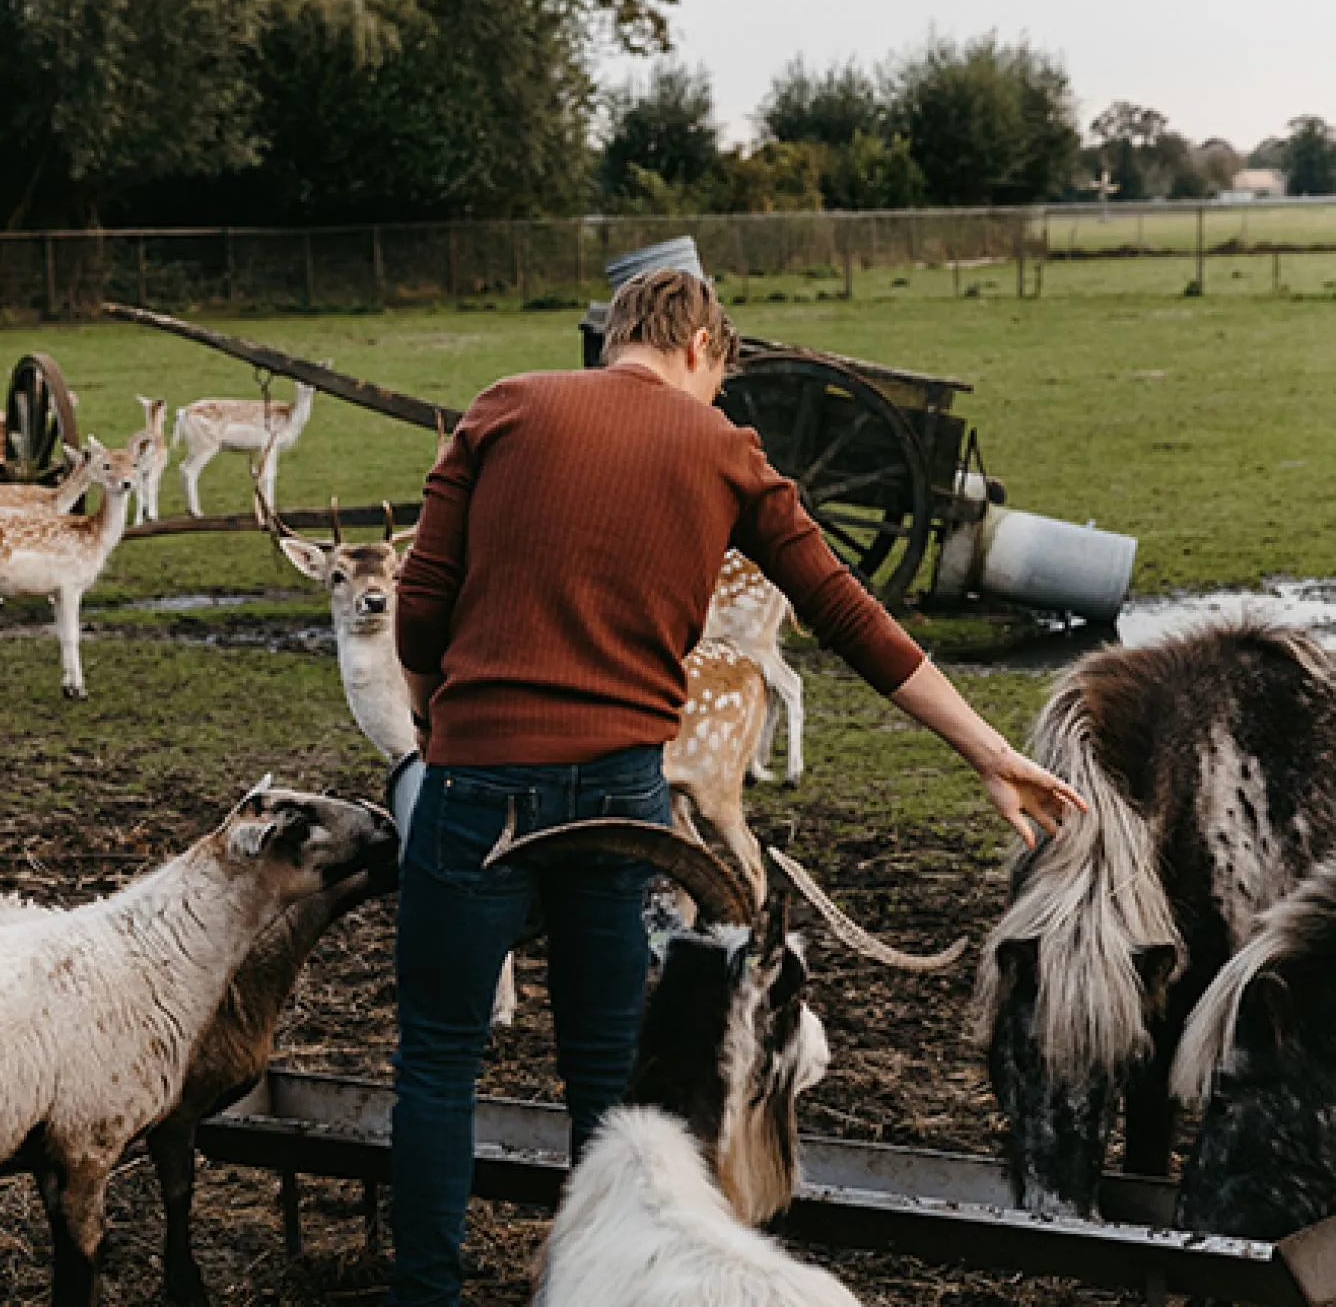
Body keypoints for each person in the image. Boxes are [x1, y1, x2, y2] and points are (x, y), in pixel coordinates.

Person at [388, 267, 1086, 1305]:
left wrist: (436, 725)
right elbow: (849, 615)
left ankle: (424, 1295)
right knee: (603, 1076)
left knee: (438, 1062)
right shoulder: (722, 451)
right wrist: (985, 750)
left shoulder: (501, 406)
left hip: (476, 775)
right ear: (701, 348)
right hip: (622, 798)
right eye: (718, 378)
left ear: (618, 334)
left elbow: (418, 611)